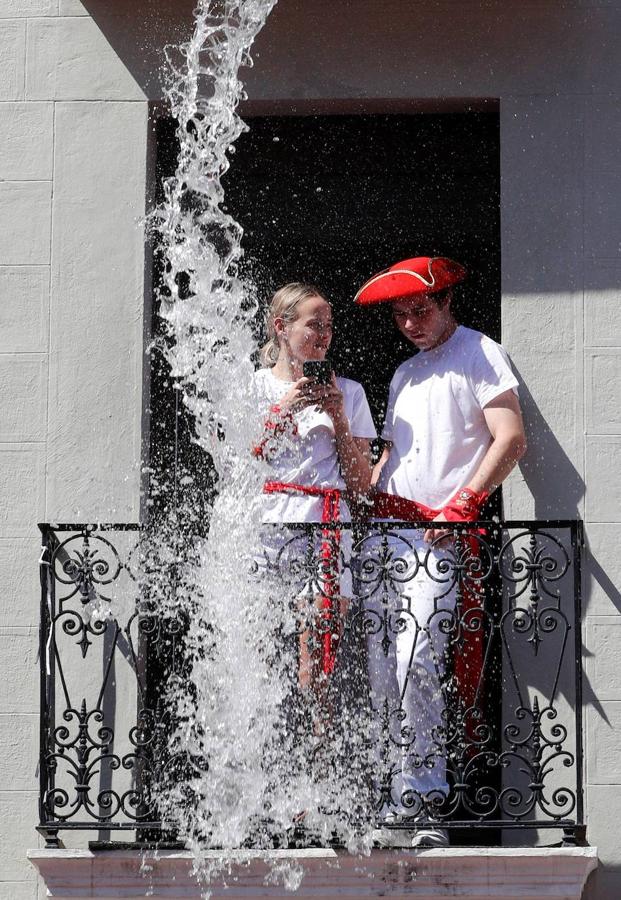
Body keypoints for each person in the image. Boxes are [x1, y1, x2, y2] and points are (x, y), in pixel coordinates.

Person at [355, 255, 527, 848]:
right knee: (380, 669)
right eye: (400, 314)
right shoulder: (403, 373)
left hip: (437, 533)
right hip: (384, 531)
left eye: (420, 310)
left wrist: (465, 504)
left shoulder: (480, 352)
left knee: (417, 657)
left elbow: (511, 437)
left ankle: (423, 802)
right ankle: (391, 800)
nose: (410, 323)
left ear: (447, 301)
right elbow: (392, 456)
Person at [252, 281, 376, 698]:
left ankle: (318, 738)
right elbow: (244, 462)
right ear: (281, 327)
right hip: (268, 530)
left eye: (329, 326)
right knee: (262, 658)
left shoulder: (351, 393)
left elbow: (361, 485)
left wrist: (339, 417)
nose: (324, 335)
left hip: (326, 528)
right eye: (314, 325)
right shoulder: (254, 388)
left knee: (317, 668)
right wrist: (283, 410)